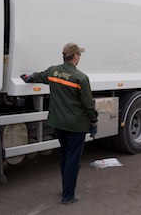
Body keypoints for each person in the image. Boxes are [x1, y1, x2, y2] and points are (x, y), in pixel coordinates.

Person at [21, 42, 98, 205]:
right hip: (76, 126)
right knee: (73, 160)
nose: (80, 58)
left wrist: (27, 77)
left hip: (58, 124)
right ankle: (68, 196)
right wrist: (94, 121)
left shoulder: (53, 72)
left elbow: (37, 76)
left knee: (64, 156)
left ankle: (66, 189)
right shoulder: (81, 78)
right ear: (75, 56)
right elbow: (88, 105)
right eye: (80, 55)